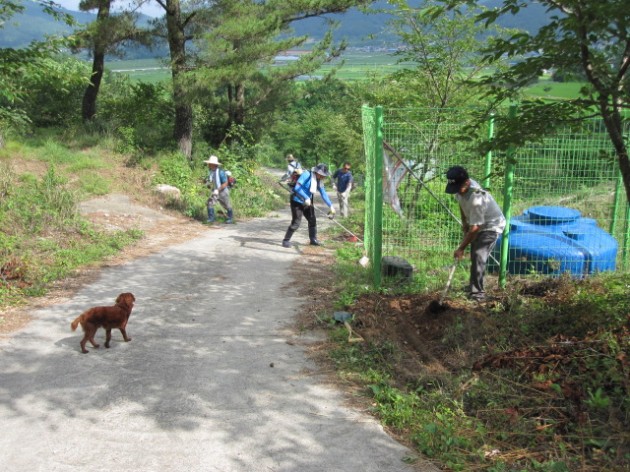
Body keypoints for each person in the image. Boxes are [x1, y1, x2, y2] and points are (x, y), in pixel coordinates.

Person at [445, 166, 505, 301]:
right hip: (477, 223)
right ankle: (474, 287)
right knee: (475, 256)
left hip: (491, 225)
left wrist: (461, 248)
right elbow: (461, 203)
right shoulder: (459, 187)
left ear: (467, 183)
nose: (457, 193)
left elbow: (476, 228)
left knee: (479, 255)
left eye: (459, 190)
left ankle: (478, 294)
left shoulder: (477, 197)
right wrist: (465, 221)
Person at [282, 163, 336, 248]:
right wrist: (306, 197)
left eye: (324, 175)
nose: (323, 177)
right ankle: (285, 241)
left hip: (308, 201)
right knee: (296, 222)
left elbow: (323, 193)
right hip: (297, 200)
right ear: (317, 172)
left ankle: (313, 240)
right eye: (321, 175)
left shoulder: (319, 180)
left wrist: (331, 206)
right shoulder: (306, 174)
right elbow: (297, 188)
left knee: (312, 220)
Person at [204, 155, 233, 224]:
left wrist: (218, 190)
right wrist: (208, 184)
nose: (208, 165)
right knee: (210, 202)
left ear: (213, 164)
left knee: (227, 205)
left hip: (223, 191)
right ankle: (211, 219)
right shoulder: (211, 172)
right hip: (215, 191)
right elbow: (211, 182)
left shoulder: (221, 172)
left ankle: (230, 218)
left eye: (210, 163)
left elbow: (225, 183)